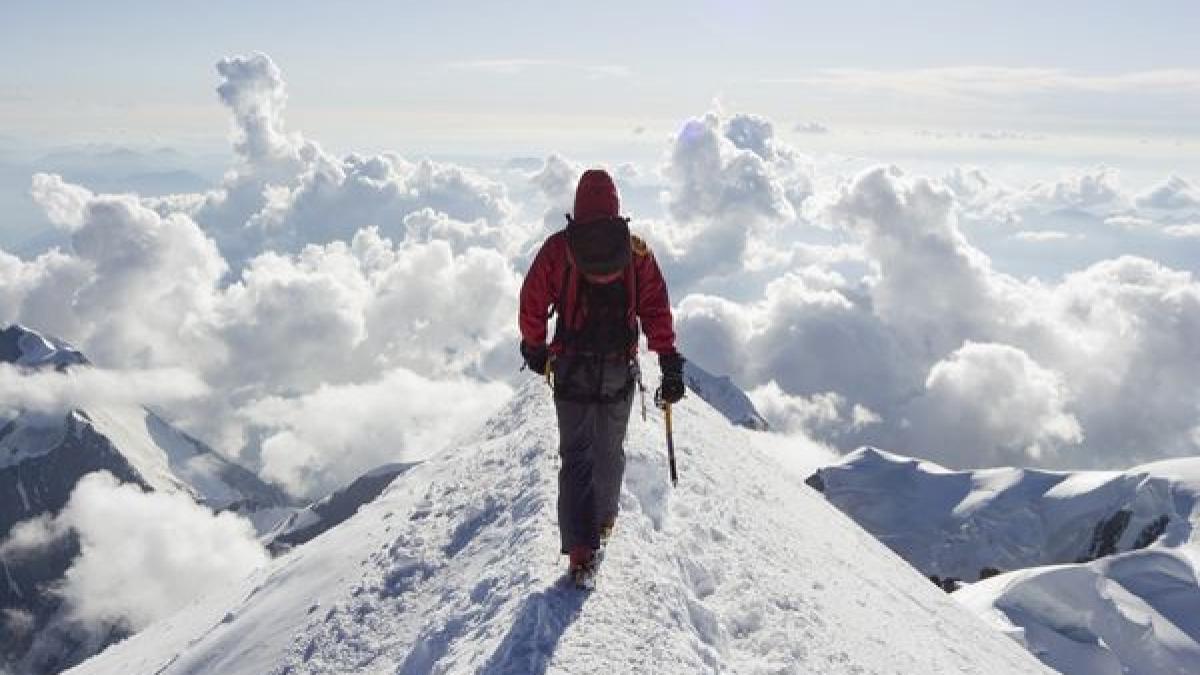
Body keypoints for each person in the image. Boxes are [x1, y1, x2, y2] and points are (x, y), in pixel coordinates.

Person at [518, 168, 685, 586]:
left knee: (576, 455)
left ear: (578, 205)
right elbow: (656, 308)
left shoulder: (560, 248)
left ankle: (580, 551)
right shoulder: (635, 252)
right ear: (615, 206)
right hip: (617, 368)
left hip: (571, 367)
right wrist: (668, 360)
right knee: (610, 448)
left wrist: (535, 347)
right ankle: (605, 520)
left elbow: (533, 299)